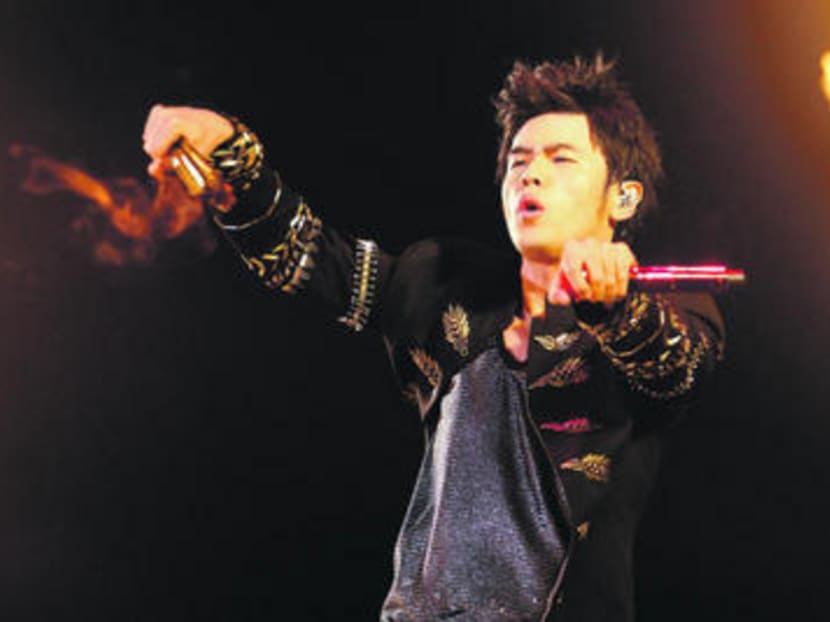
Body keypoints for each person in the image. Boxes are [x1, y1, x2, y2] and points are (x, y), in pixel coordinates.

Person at [142, 54, 724, 621]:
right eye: (518, 162)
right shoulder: (443, 286)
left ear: (623, 196)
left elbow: (676, 371)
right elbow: (308, 258)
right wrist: (229, 152)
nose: (530, 174)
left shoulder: (669, 309)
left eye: (561, 158)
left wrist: (615, 309)